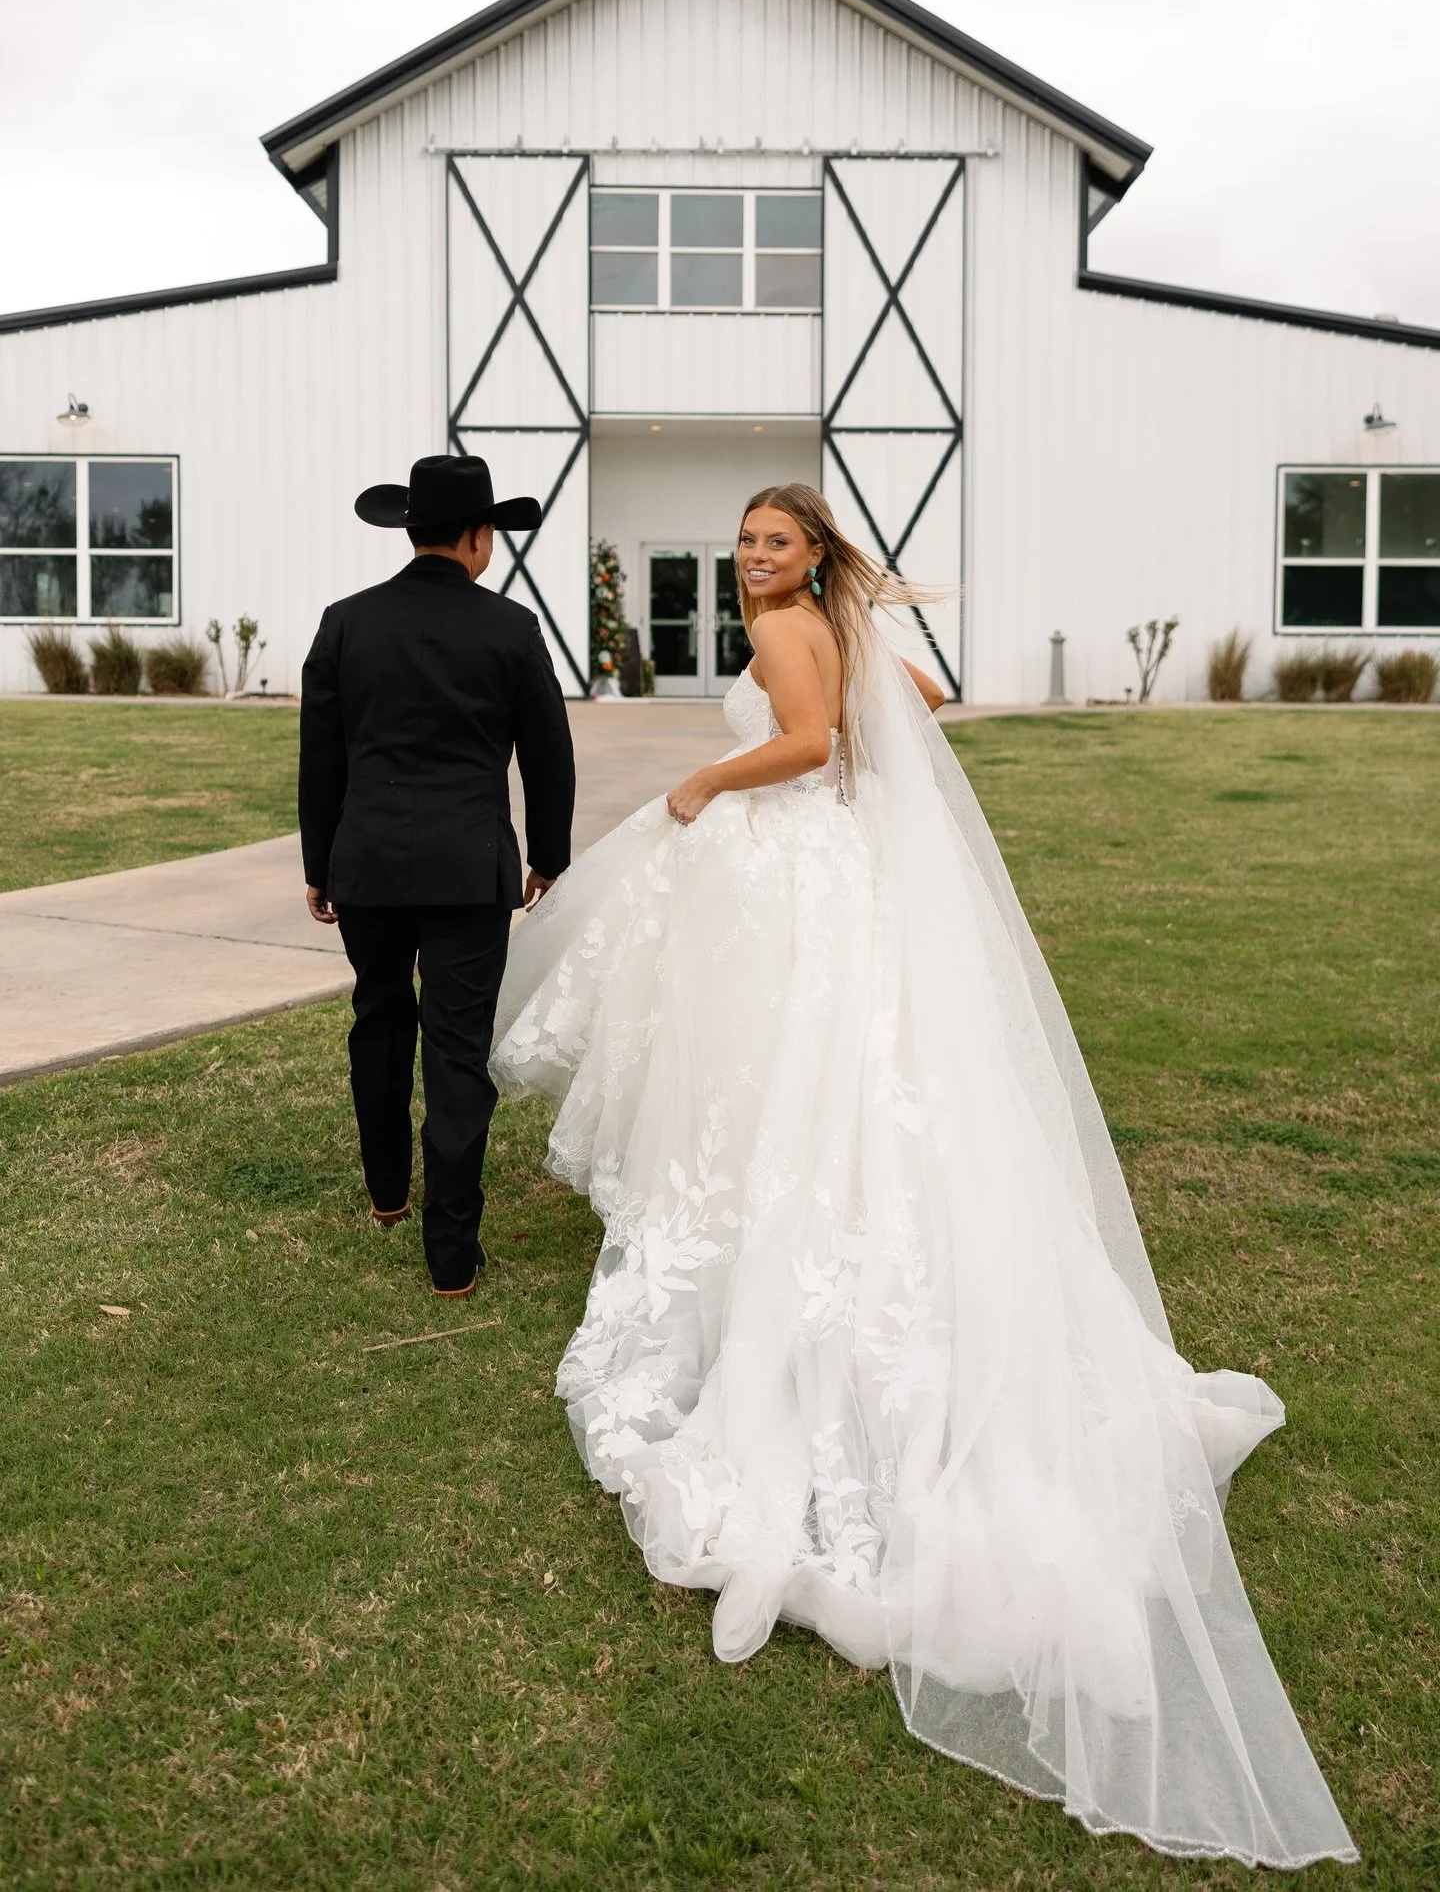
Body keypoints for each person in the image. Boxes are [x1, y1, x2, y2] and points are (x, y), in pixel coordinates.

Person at [489, 483, 1357, 1867]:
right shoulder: (832, 616)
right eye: (746, 543)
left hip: (798, 875)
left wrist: (716, 776)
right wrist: (839, 768)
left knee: (795, 1088)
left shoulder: (786, 631)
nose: (752, 559)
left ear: (812, 553)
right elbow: (910, 713)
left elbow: (816, 736)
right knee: (861, 1086)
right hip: (845, 880)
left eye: (772, 542)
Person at [299, 454, 574, 1298]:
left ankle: (387, 1191)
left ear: (411, 530)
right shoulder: (511, 628)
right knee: (457, 1054)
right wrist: (547, 855)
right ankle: (451, 1255)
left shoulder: (345, 623)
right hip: (467, 870)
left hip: (369, 866)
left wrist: (320, 865)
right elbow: (548, 753)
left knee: (379, 1019)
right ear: (478, 538)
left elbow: (322, 761)